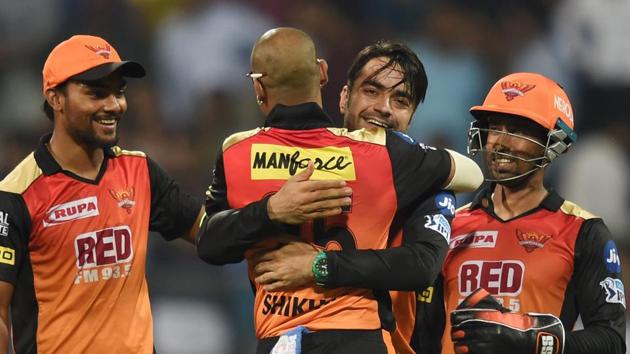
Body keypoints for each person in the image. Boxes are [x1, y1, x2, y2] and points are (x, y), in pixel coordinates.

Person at [196, 28, 482, 354]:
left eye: (401, 100)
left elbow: (422, 265)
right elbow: (472, 173)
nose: (384, 108)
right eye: (371, 91)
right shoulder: (387, 155)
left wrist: (320, 266)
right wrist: (272, 209)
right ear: (338, 90)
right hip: (321, 339)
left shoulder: (424, 182)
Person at [0, 35, 204, 354]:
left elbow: (211, 233)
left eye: (119, 93)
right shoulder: (15, 195)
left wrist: (269, 212)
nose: (113, 105)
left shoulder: (140, 170)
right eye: (96, 93)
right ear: (55, 98)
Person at [415, 72, 626, 354]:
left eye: (516, 130)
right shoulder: (449, 225)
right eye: (495, 127)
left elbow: (611, 340)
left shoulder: (583, 231)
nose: (500, 142)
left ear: (554, 142)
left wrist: (532, 341)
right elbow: (421, 335)